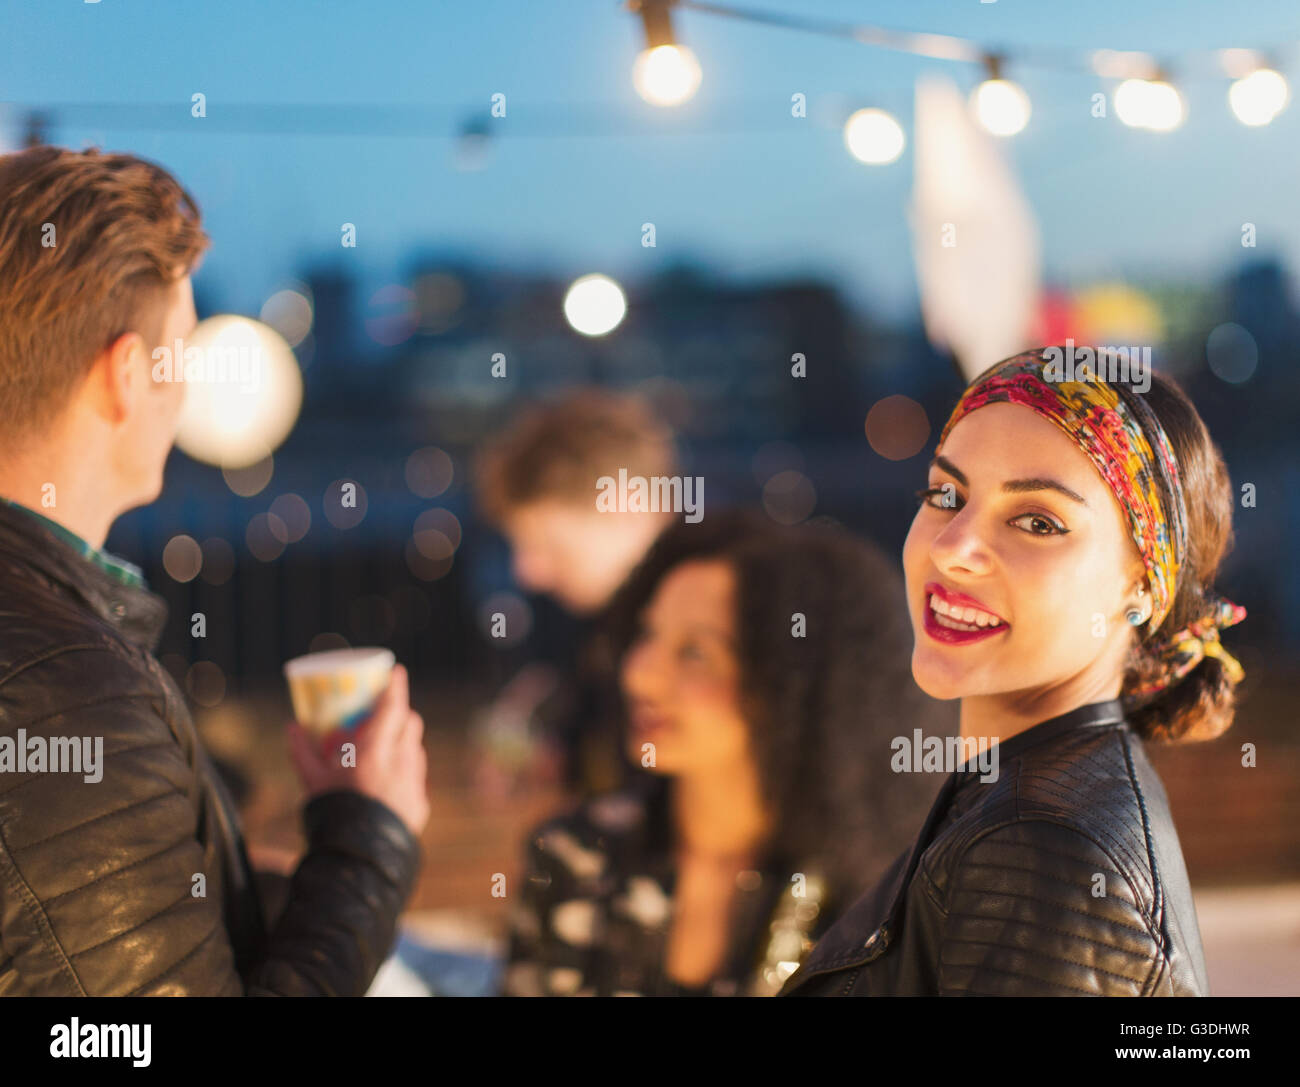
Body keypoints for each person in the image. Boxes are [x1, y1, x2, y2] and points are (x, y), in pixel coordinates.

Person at [0, 145, 429, 995]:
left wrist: (233, 892)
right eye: (181, 352)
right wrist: (369, 839)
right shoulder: (62, 697)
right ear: (128, 375)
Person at [780, 348, 1247, 997]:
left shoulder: (1042, 845)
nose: (952, 548)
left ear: (1142, 587)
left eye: (1036, 520)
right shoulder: (1027, 796)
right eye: (946, 495)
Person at [502, 509, 955, 996]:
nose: (640, 675)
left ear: (794, 687)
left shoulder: (880, 898)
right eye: (648, 634)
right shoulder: (575, 857)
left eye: (695, 652)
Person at [474, 390, 679, 798]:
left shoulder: (719, 633)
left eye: (549, 545)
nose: (528, 573)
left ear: (627, 503)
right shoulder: (606, 634)